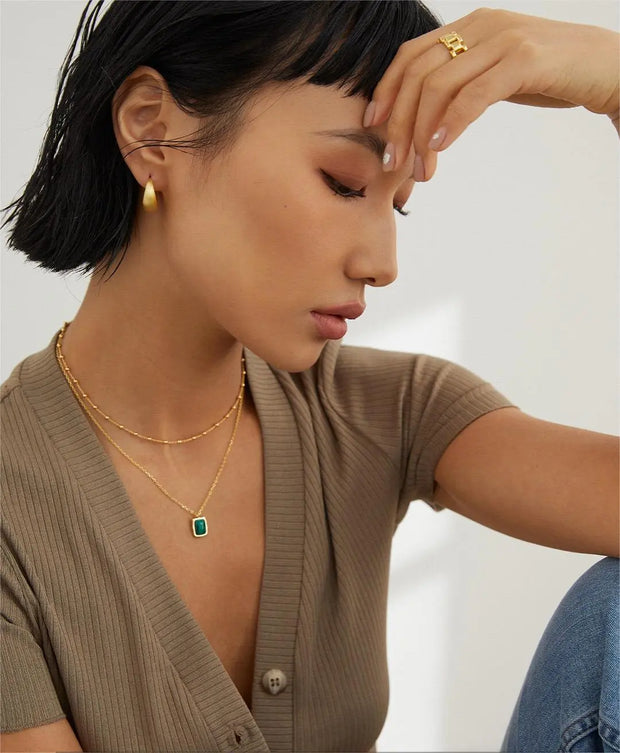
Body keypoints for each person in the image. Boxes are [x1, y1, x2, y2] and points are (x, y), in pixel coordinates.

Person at [1, 1, 618, 751]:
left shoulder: (388, 412)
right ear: (151, 129)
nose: (383, 264)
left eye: (398, 206)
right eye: (344, 183)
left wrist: (615, 80)